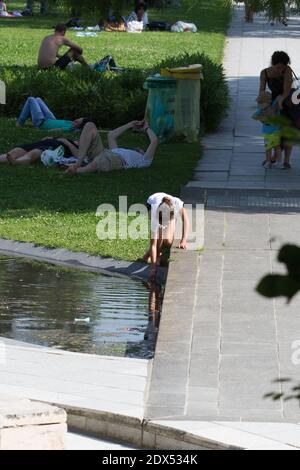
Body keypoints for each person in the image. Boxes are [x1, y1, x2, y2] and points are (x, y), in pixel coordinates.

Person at [65, 119, 158, 174]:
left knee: (98, 162)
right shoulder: (118, 150)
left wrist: (147, 128)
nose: (138, 148)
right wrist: (130, 124)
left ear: (143, 152)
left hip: (118, 160)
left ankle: (78, 170)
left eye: (141, 149)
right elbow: (111, 135)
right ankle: (78, 163)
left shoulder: (145, 160)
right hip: (105, 153)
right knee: (90, 125)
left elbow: (154, 141)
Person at [258, 51, 294, 169]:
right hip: (273, 104)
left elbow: (286, 91)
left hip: (287, 103)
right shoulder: (264, 73)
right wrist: (262, 108)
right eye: (278, 67)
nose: (280, 70)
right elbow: (261, 92)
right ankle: (272, 157)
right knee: (273, 132)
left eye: (282, 67)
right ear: (272, 64)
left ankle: (286, 161)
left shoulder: (287, 70)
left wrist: (280, 100)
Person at [143, 193, 189, 280]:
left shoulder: (177, 204)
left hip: (169, 210)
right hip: (151, 202)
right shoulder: (155, 213)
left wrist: (184, 240)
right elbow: (153, 244)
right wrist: (153, 267)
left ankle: (149, 256)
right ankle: (158, 256)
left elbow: (186, 221)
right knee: (158, 236)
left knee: (168, 241)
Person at [17, 97, 87, 132]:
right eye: (77, 119)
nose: (75, 120)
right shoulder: (72, 123)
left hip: (41, 123)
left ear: (78, 126)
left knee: (31, 99)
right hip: (51, 119)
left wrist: (48, 131)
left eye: (77, 122)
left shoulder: (70, 128)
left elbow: (57, 130)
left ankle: (19, 123)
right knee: (38, 99)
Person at [0, 137, 78, 166]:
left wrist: (68, 143)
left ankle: (17, 162)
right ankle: (6, 158)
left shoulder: (79, 147)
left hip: (52, 147)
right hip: (44, 142)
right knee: (16, 151)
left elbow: (78, 156)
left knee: (35, 152)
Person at [253, 92, 282, 169]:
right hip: (266, 131)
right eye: (259, 103)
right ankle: (268, 161)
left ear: (268, 102)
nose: (259, 105)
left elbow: (279, 97)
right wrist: (262, 119)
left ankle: (279, 162)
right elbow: (254, 116)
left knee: (277, 147)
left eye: (261, 103)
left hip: (275, 131)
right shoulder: (261, 110)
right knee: (267, 147)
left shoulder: (274, 108)